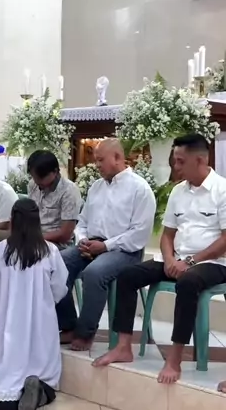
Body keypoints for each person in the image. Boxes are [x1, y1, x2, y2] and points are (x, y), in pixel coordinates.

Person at [93, 133, 226, 384]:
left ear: (199, 160)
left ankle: (174, 359)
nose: (175, 166)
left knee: (188, 282)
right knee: (128, 275)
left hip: (213, 263)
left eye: (180, 161)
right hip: (177, 259)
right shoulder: (178, 191)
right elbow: (167, 235)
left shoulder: (222, 190)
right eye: (174, 160)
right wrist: (169, 259)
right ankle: (123, 346)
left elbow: (224, 240)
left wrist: (190, 262)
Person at [57, 139, 156, 350]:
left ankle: (85, 334)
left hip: (125, 251)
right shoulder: (96, 187)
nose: (97, 165)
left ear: (117, 158)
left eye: (101, 160)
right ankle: (68, 325)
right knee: (56, 263)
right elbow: (82, 221)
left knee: (94, 273)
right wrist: (83, 239)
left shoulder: (140, 189)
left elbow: (138, 235)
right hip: (91, 245)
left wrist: (105, 246)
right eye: (96, 160)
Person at [0, 198, 68, 410]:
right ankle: (38, 389)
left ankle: (20, 391)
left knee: (0, 408)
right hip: (40, 326)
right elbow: (60, 287)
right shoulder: (49, 251)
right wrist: (44, 305)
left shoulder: (0, 250)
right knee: (43, 373)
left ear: (12, 220)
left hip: (8, 325)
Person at [28, 151, 81, 248]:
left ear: (55, 171)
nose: (37, 181)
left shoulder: (69, 191)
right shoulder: (33, 184)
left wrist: (35, 238)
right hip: (33, 238)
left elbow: (65, 234)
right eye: (34, 177)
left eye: (41, 177)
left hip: (57, 244)